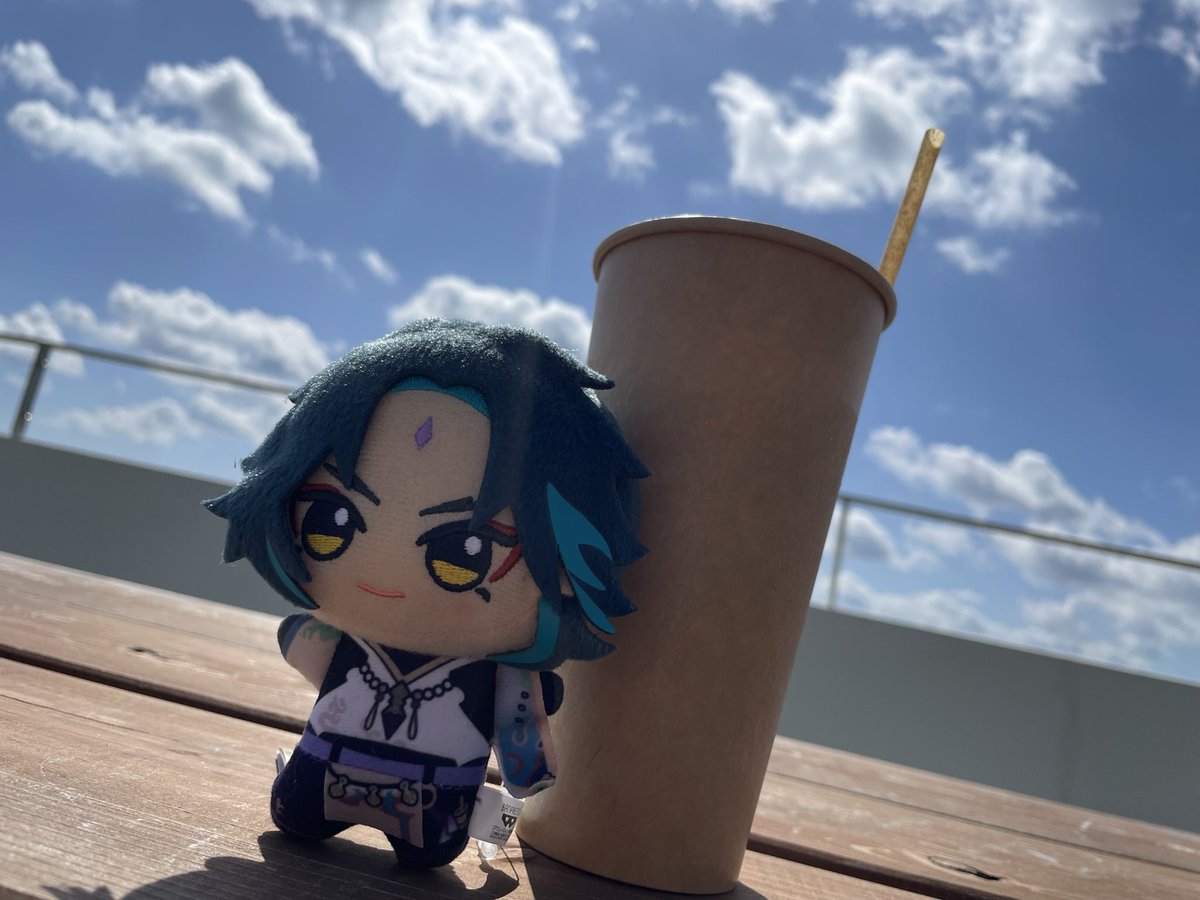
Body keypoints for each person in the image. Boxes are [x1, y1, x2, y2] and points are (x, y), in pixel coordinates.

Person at [205, 319, 647, 867]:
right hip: (330, 769)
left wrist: (527, 748)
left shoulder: (501, 679)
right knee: (301, 809)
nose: (385, 576)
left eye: (463, 553)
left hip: (435, 797)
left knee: (418, 839)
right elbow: (299, 640)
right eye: (329, 520)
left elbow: (524, 749)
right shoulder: (355, 645)